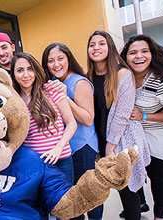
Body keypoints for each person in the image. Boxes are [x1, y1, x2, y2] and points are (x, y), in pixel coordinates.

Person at [87, 30, 150, 220]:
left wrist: (110, 146)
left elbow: (123, 115)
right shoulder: (87, 77)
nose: (96, 48)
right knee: (121, 187)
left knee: (127, 189)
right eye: (92, 44)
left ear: (110, 47)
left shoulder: (123, 74)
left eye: (101, 43)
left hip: (122, 140)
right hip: (101, 139)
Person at [42, 43, 102, 220]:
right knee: (72, 197)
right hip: (64, 149)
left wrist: (65, 97)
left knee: (89, 194)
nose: (56, 64)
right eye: (50, 61)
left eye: (60, 58)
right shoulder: (52, 83)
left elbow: (87, 118)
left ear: (68, 59)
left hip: (82, 147)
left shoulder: (78, 81)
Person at [120, 34, 163, 220]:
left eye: (144, 51)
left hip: (158, 136)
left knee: (157, 177)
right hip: (135, 135)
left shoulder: (161, 79)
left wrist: (145, 116)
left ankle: (161, 215)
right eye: (132, 52)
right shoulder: (126, 77)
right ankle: (140, 203)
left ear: (152, 54)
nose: (138, 56)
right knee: (132, 172)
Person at [10, 52, 77, 185]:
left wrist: (59, 147)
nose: (26, 74)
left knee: (66, 203)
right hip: (34, 164)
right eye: (20, 70)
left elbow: (71, 123)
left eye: (30, 69)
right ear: (13, 74)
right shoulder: (14, 101)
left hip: (61, 159)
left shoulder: (51, 91)